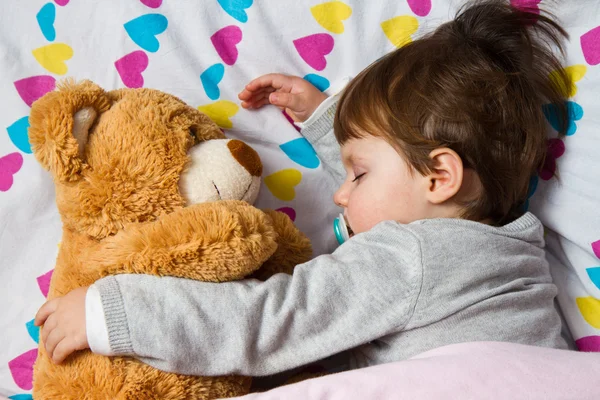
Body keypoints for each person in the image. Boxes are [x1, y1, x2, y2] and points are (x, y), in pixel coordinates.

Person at [35, 0, 572, 378]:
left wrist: (116, 314)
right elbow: (399, 185)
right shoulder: (511, 248)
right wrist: (326, 121)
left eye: (356, 173)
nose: (340, 195)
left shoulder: (410, 255)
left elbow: (272, 319)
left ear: (442, 176)